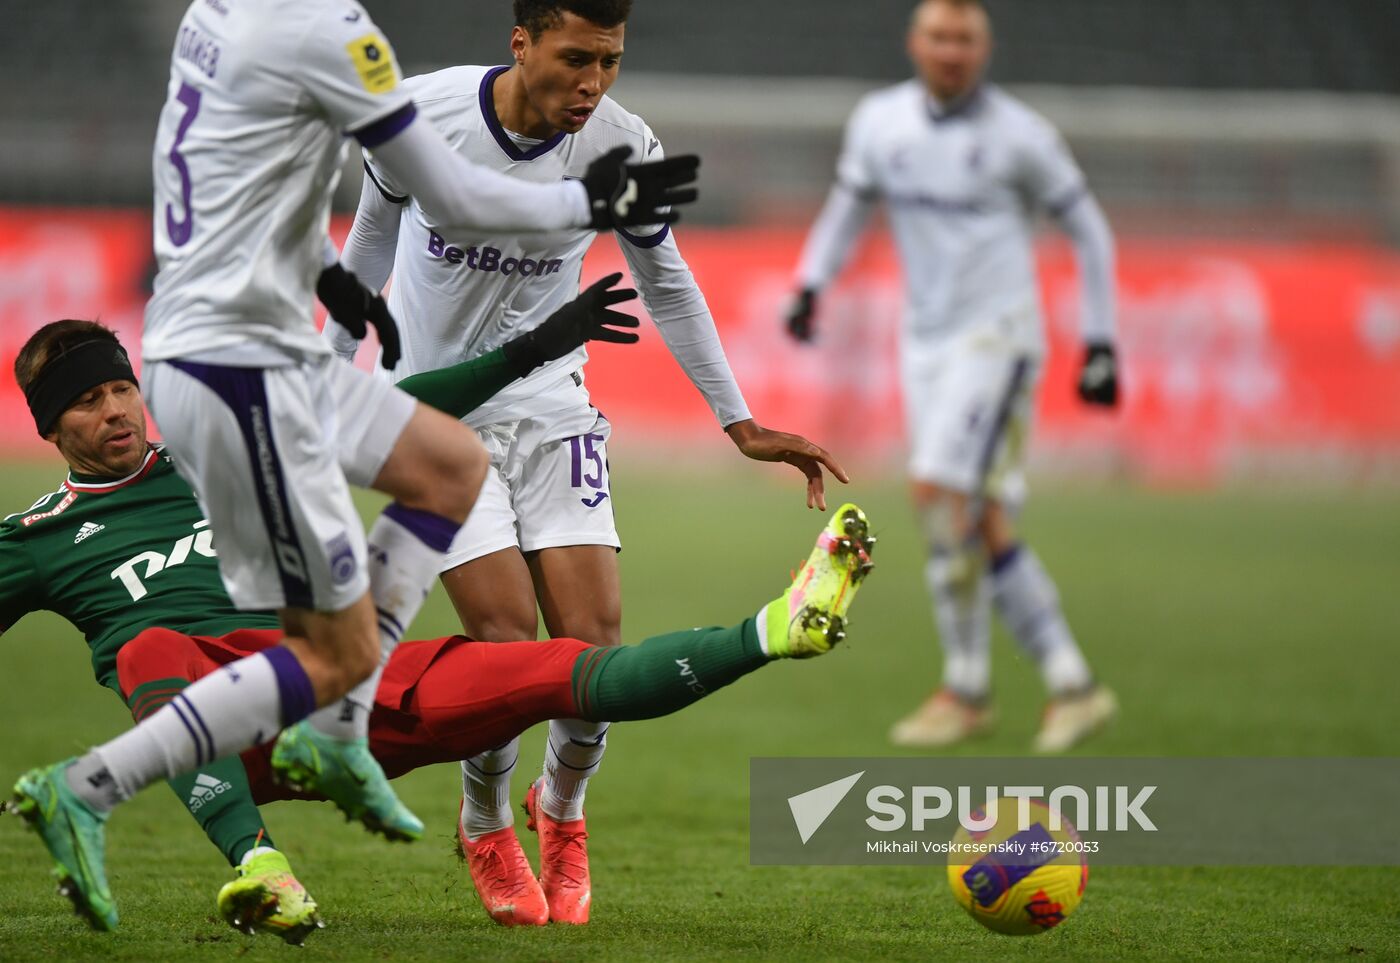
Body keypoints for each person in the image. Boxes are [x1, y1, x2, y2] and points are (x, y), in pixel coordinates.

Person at [10, 0, 697, 934]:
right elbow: (455, 197)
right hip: (237, 362)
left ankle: (280, 746)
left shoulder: (209, 21)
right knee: (355, 620)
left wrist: (326, 275)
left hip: (207, 336)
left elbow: (243, 172)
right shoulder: (332, 32)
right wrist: (594, 204)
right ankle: (129, 779)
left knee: (443, 471)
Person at [324, 0, 846, 926]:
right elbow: (365, 243)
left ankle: (559, 808)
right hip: (435, 415)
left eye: (609, 61)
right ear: (520, 43)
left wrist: (741, 422)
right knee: (507, 647)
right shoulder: (418, 118)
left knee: (595, 645)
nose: (592, 83)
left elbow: (666, 280)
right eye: (575, 59)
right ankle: (483, 815)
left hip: (552, 399)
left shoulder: (621, 145)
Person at [2, 293, 639, 939]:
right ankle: (268, 863)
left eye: (121, 388)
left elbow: (392, 414)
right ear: (51, 426)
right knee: (149, 652)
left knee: (566, 665)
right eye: (87, 401)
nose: (114, 409)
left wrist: (529, 350)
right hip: (222, 742)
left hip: (341, 704)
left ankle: (546, 807)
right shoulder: (37, 539)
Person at [784, 0, 1119, 753]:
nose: (951, 51)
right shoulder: (880, 122)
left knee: (938, 493)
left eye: (965, 38)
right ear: (915, 41)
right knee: (982, 518)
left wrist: (1100, 342)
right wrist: (811, 281)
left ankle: (966, 688)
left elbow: (1090, 228)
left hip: (997, 340)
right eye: (939, 35)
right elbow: (848, 205)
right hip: (926, 343)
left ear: (984, 46)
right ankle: (1072, 683)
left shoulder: (1020, 136)